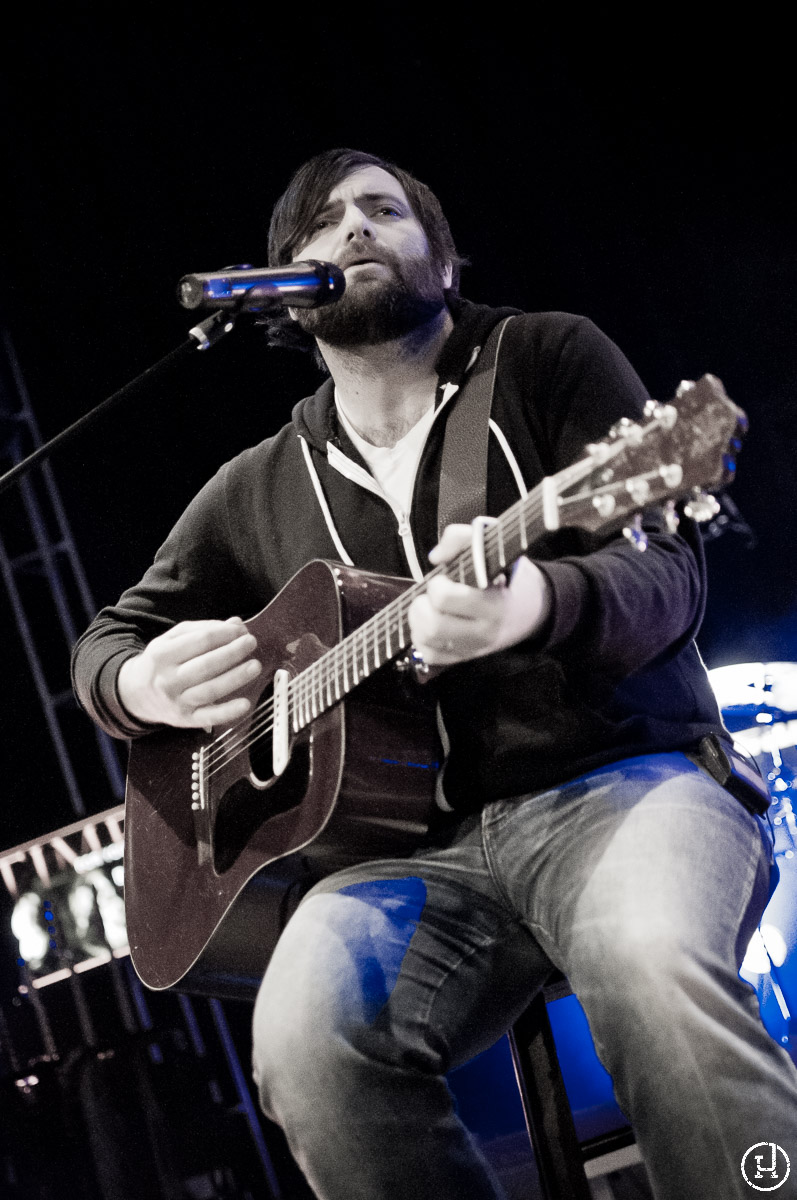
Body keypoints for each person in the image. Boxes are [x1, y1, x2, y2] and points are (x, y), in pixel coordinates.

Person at [71, 148, 797, 1200]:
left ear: (445, 261)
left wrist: (536, 604)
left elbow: (666, 576)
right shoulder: (256, 487)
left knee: (650, 962)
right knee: (304, 1048)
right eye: (322, 223)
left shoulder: (545, 359)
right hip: (398, 863)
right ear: (284, 289)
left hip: (621, 785)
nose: (354, 229)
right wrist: (142, 686)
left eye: (383, 210)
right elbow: (107, 639)